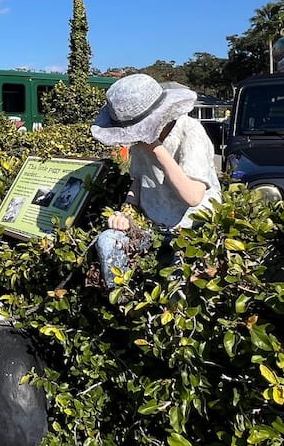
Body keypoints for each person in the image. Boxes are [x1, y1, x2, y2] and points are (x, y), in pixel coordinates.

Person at [90, 74, 221, 288]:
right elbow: (138, 182)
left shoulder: (190, 132)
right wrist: (126, 212)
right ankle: (124, 305)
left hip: (191, 228)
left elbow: (193, 196)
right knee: (108, 242)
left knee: (178, 285)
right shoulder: (138, 143)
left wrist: (156, 148)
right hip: (153, 224)